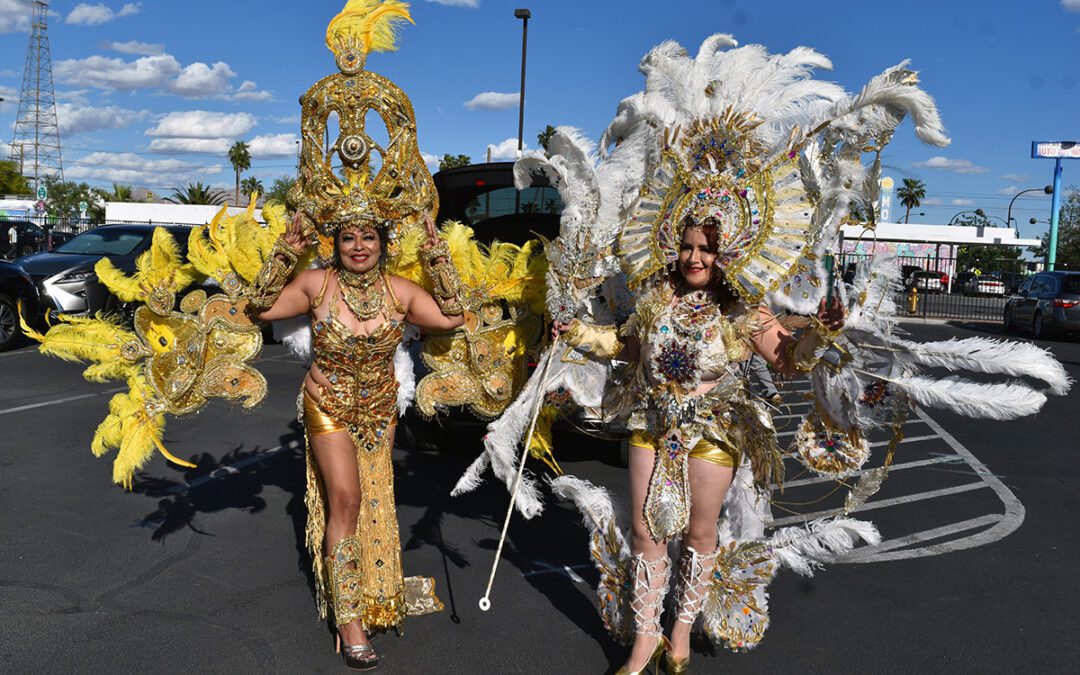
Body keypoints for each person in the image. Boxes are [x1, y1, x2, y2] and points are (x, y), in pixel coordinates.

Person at [554, 216, 844, 674]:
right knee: (647, 532)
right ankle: (645, 639)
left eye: (706, 249)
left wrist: (818, 335)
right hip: (652, 424)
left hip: (713, 429)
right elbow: (626, 347)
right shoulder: (655, 297)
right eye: (687, 247)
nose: (694, 258)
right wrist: (576, 332)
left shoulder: (743, 309)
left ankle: (682, 630)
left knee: (699, 533)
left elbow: (789, 359)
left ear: (727, 253)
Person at [249, 207, 467, 670]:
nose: (359, 246)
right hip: (327, 404)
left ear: (383, 243)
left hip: (380, 411)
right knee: (345, 499)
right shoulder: (316, 284)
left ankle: (372, 589)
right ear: (336, 244)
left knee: (370, 500)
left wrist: (436, 256)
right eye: (348, 238)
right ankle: (349, 622)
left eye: (369, 236)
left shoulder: (400, 292)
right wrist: (286, 248)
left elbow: (452, 318)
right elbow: (261, 307)